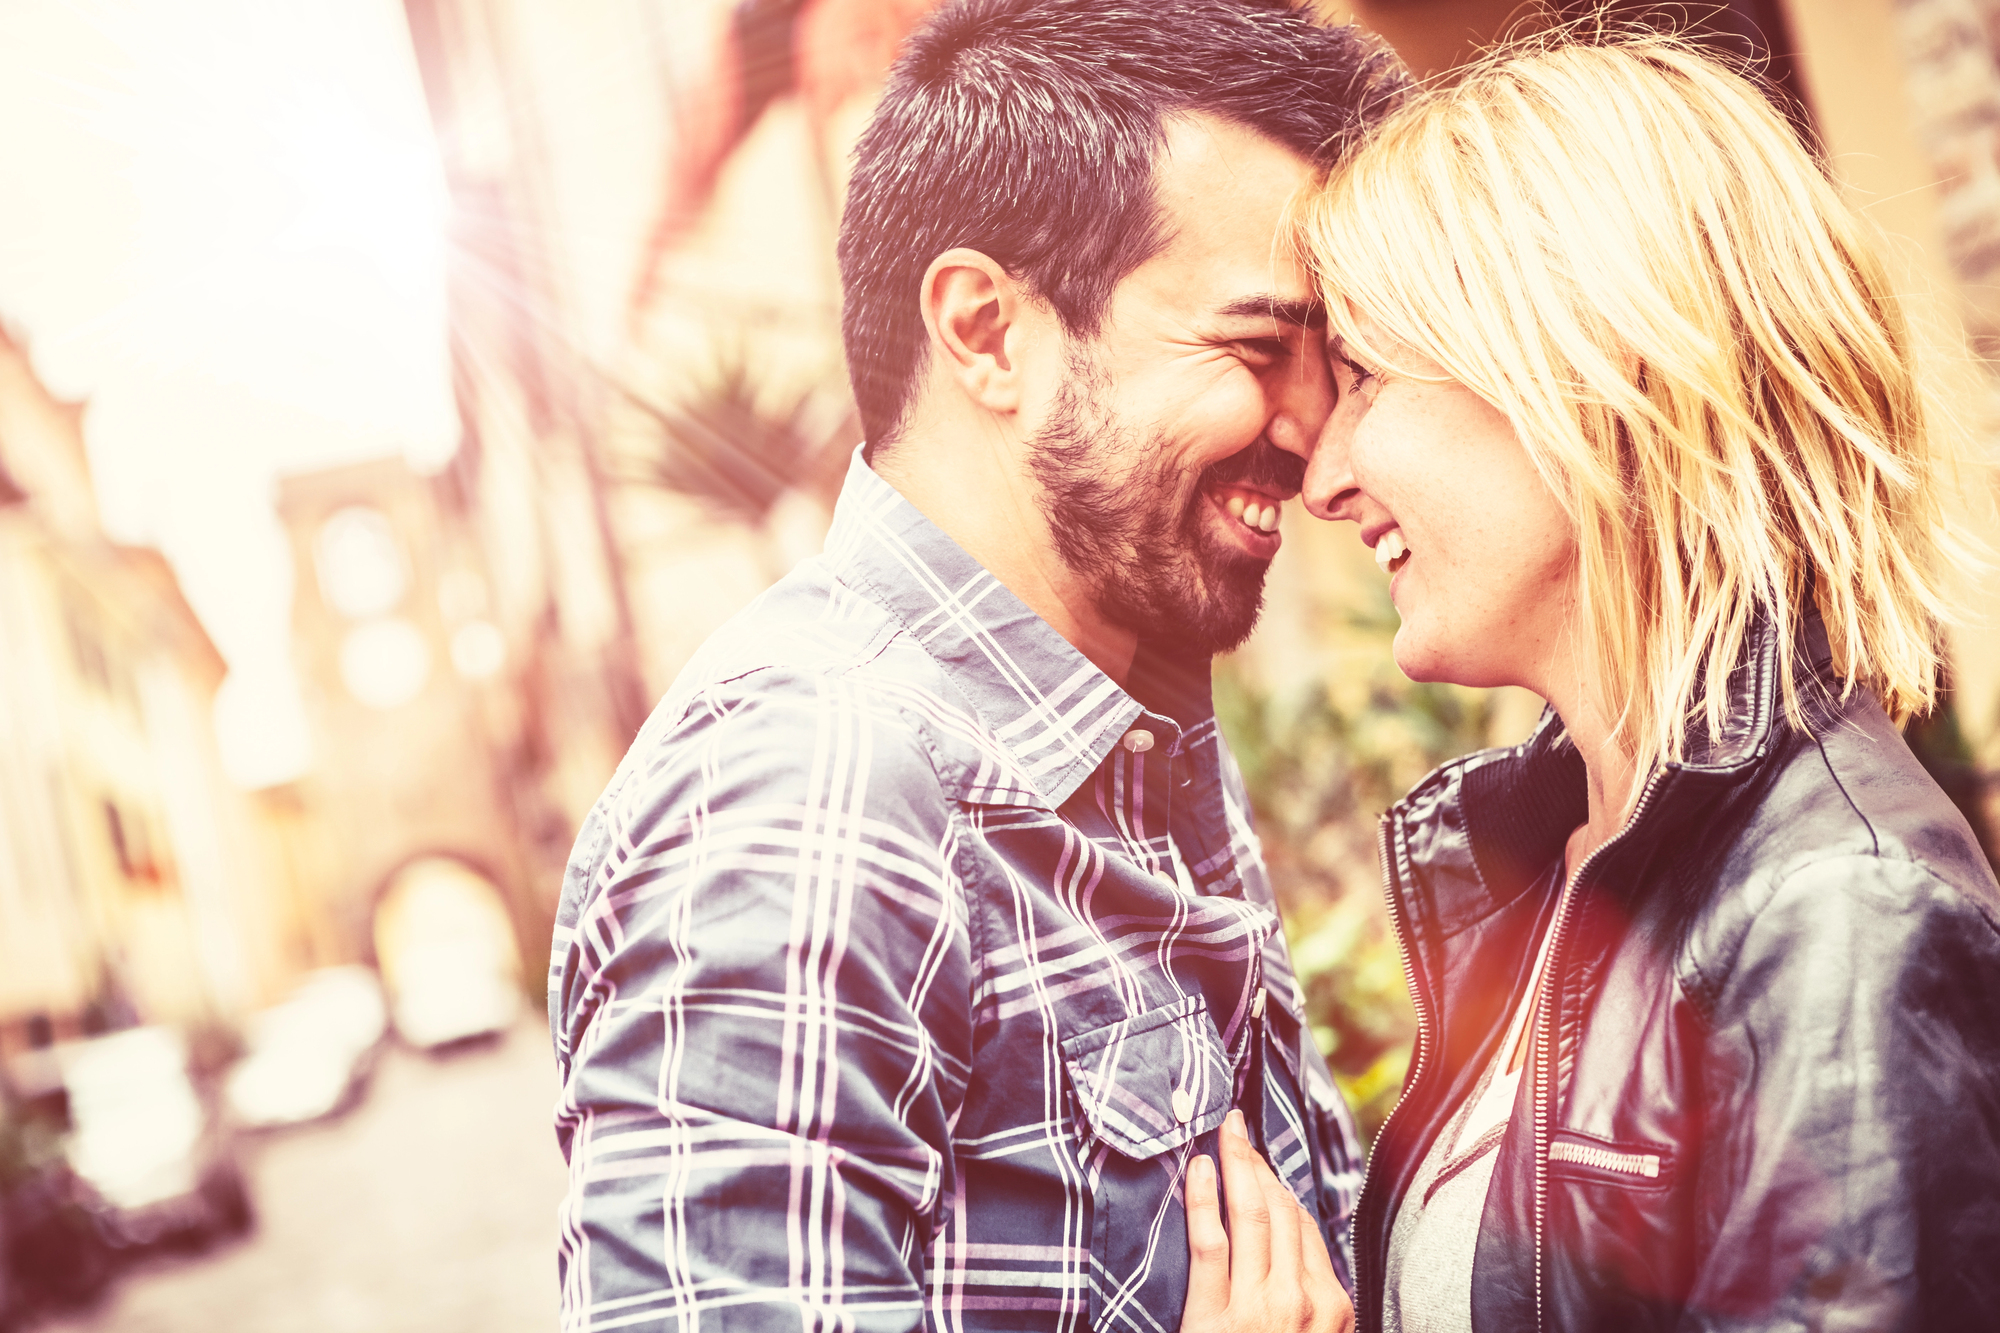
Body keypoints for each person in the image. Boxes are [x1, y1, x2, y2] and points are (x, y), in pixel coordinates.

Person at [547, 3, 1399, 1330]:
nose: (1314, 431)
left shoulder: (1119, 713)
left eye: (1328, 361)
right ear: (989, 333)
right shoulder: (811, 804)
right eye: (1253, 348)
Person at [1295, 35, 2000, 1333]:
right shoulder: (1557, 868)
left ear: (1578, 373)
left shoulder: (1838, 912)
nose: (1324, 474)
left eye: (1364, 376)